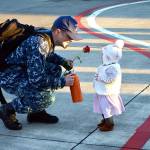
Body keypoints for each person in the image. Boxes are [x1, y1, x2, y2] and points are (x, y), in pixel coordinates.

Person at [0, 16, 81, 130]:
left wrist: (62, 61)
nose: (71, 40)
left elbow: (46, 54)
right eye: (69, 37)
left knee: (55, 69)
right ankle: (8, 109)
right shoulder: (39, 42)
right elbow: (37, 80)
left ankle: (35, 113)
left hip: (19, 69)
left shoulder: (47, 35)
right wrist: (62, 82)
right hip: (9, 77)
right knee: (46, 98)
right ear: (58, 31)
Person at [93, 40, 125, 132]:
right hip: (103, 92)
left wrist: (100, 78)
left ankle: (109, 124)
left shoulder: (113, 68)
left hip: (108, 93)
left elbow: (110, 79)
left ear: (108, 57)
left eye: (103, 55)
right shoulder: (107, 66)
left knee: (106, 109)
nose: (101, 56)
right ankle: (105, 120)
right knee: (102, 108)